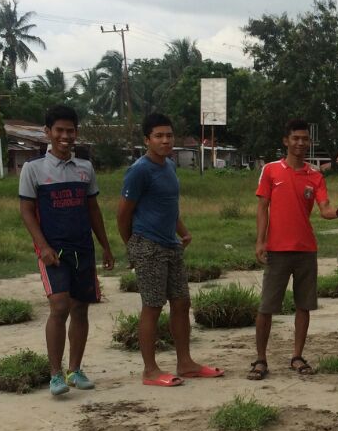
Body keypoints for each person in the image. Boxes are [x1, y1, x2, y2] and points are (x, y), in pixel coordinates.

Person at [18, 105, 116, 397]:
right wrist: (44, 247)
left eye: (70, 131)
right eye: (58, 130)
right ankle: (55, 375)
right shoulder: (33, 169)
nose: (64, 136)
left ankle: (75, 370)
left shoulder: (85, 168)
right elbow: (26, 212)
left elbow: (93, 209)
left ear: (76, 133)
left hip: (82, 249)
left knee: (81, 308)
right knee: (59, 306)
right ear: (48, 132)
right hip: (53, 251)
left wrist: (105, 247)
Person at [117, 112, 221, 386]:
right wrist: (133, 247)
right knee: (152, 306)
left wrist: (183, 231)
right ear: (147, 140)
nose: (165, 141)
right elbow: (123, 215)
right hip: (148, 245)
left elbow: (168, 207)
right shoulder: (139, 170)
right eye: (159, 136)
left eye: (169, 135)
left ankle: (185, 362)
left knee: (181, 302)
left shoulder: (169, 166)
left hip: (171, 245)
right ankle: (150, 370)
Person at [250, 119, 338, 380]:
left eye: (304, 139)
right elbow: (262, 207)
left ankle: (297, 356)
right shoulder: (270, 171)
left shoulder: (315, 176)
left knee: (304, 306)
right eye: (295, 138)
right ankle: (260, 359)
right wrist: (260, 241)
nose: (300, 143)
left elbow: (324, 209)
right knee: (266, 307)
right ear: (286, 141)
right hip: (277, 250)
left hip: (306, 250)